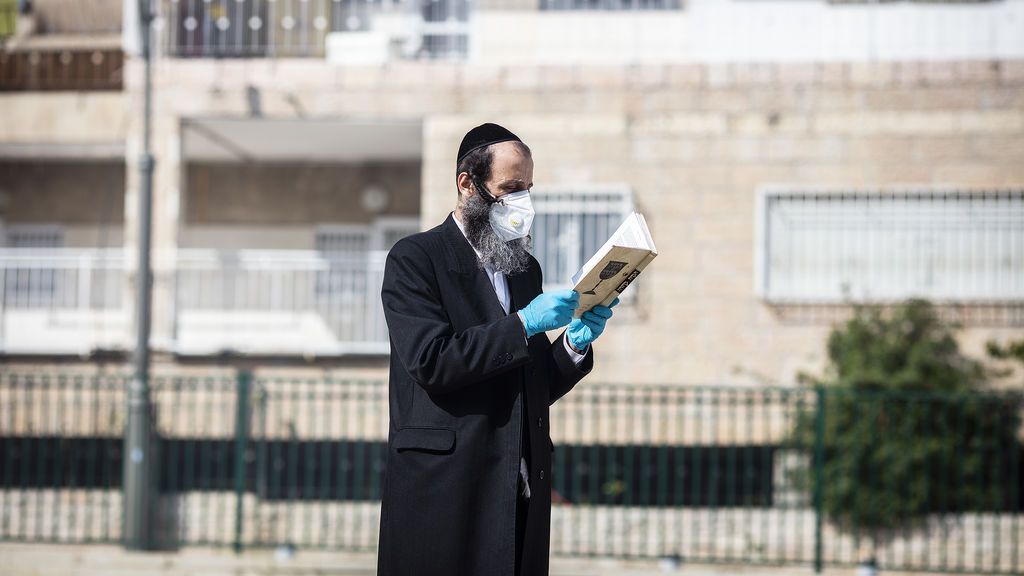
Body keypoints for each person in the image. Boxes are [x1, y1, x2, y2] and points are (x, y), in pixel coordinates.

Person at [375, 123, 618, 576]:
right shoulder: (415, 258)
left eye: (528, 188)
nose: (522, 202)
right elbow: (432, 361)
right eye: (510, 188)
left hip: (516, 488)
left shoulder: (523, 269)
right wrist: (523, 324)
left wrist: (573, 345)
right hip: (446, 492)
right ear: (467, 184)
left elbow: (529, 385)